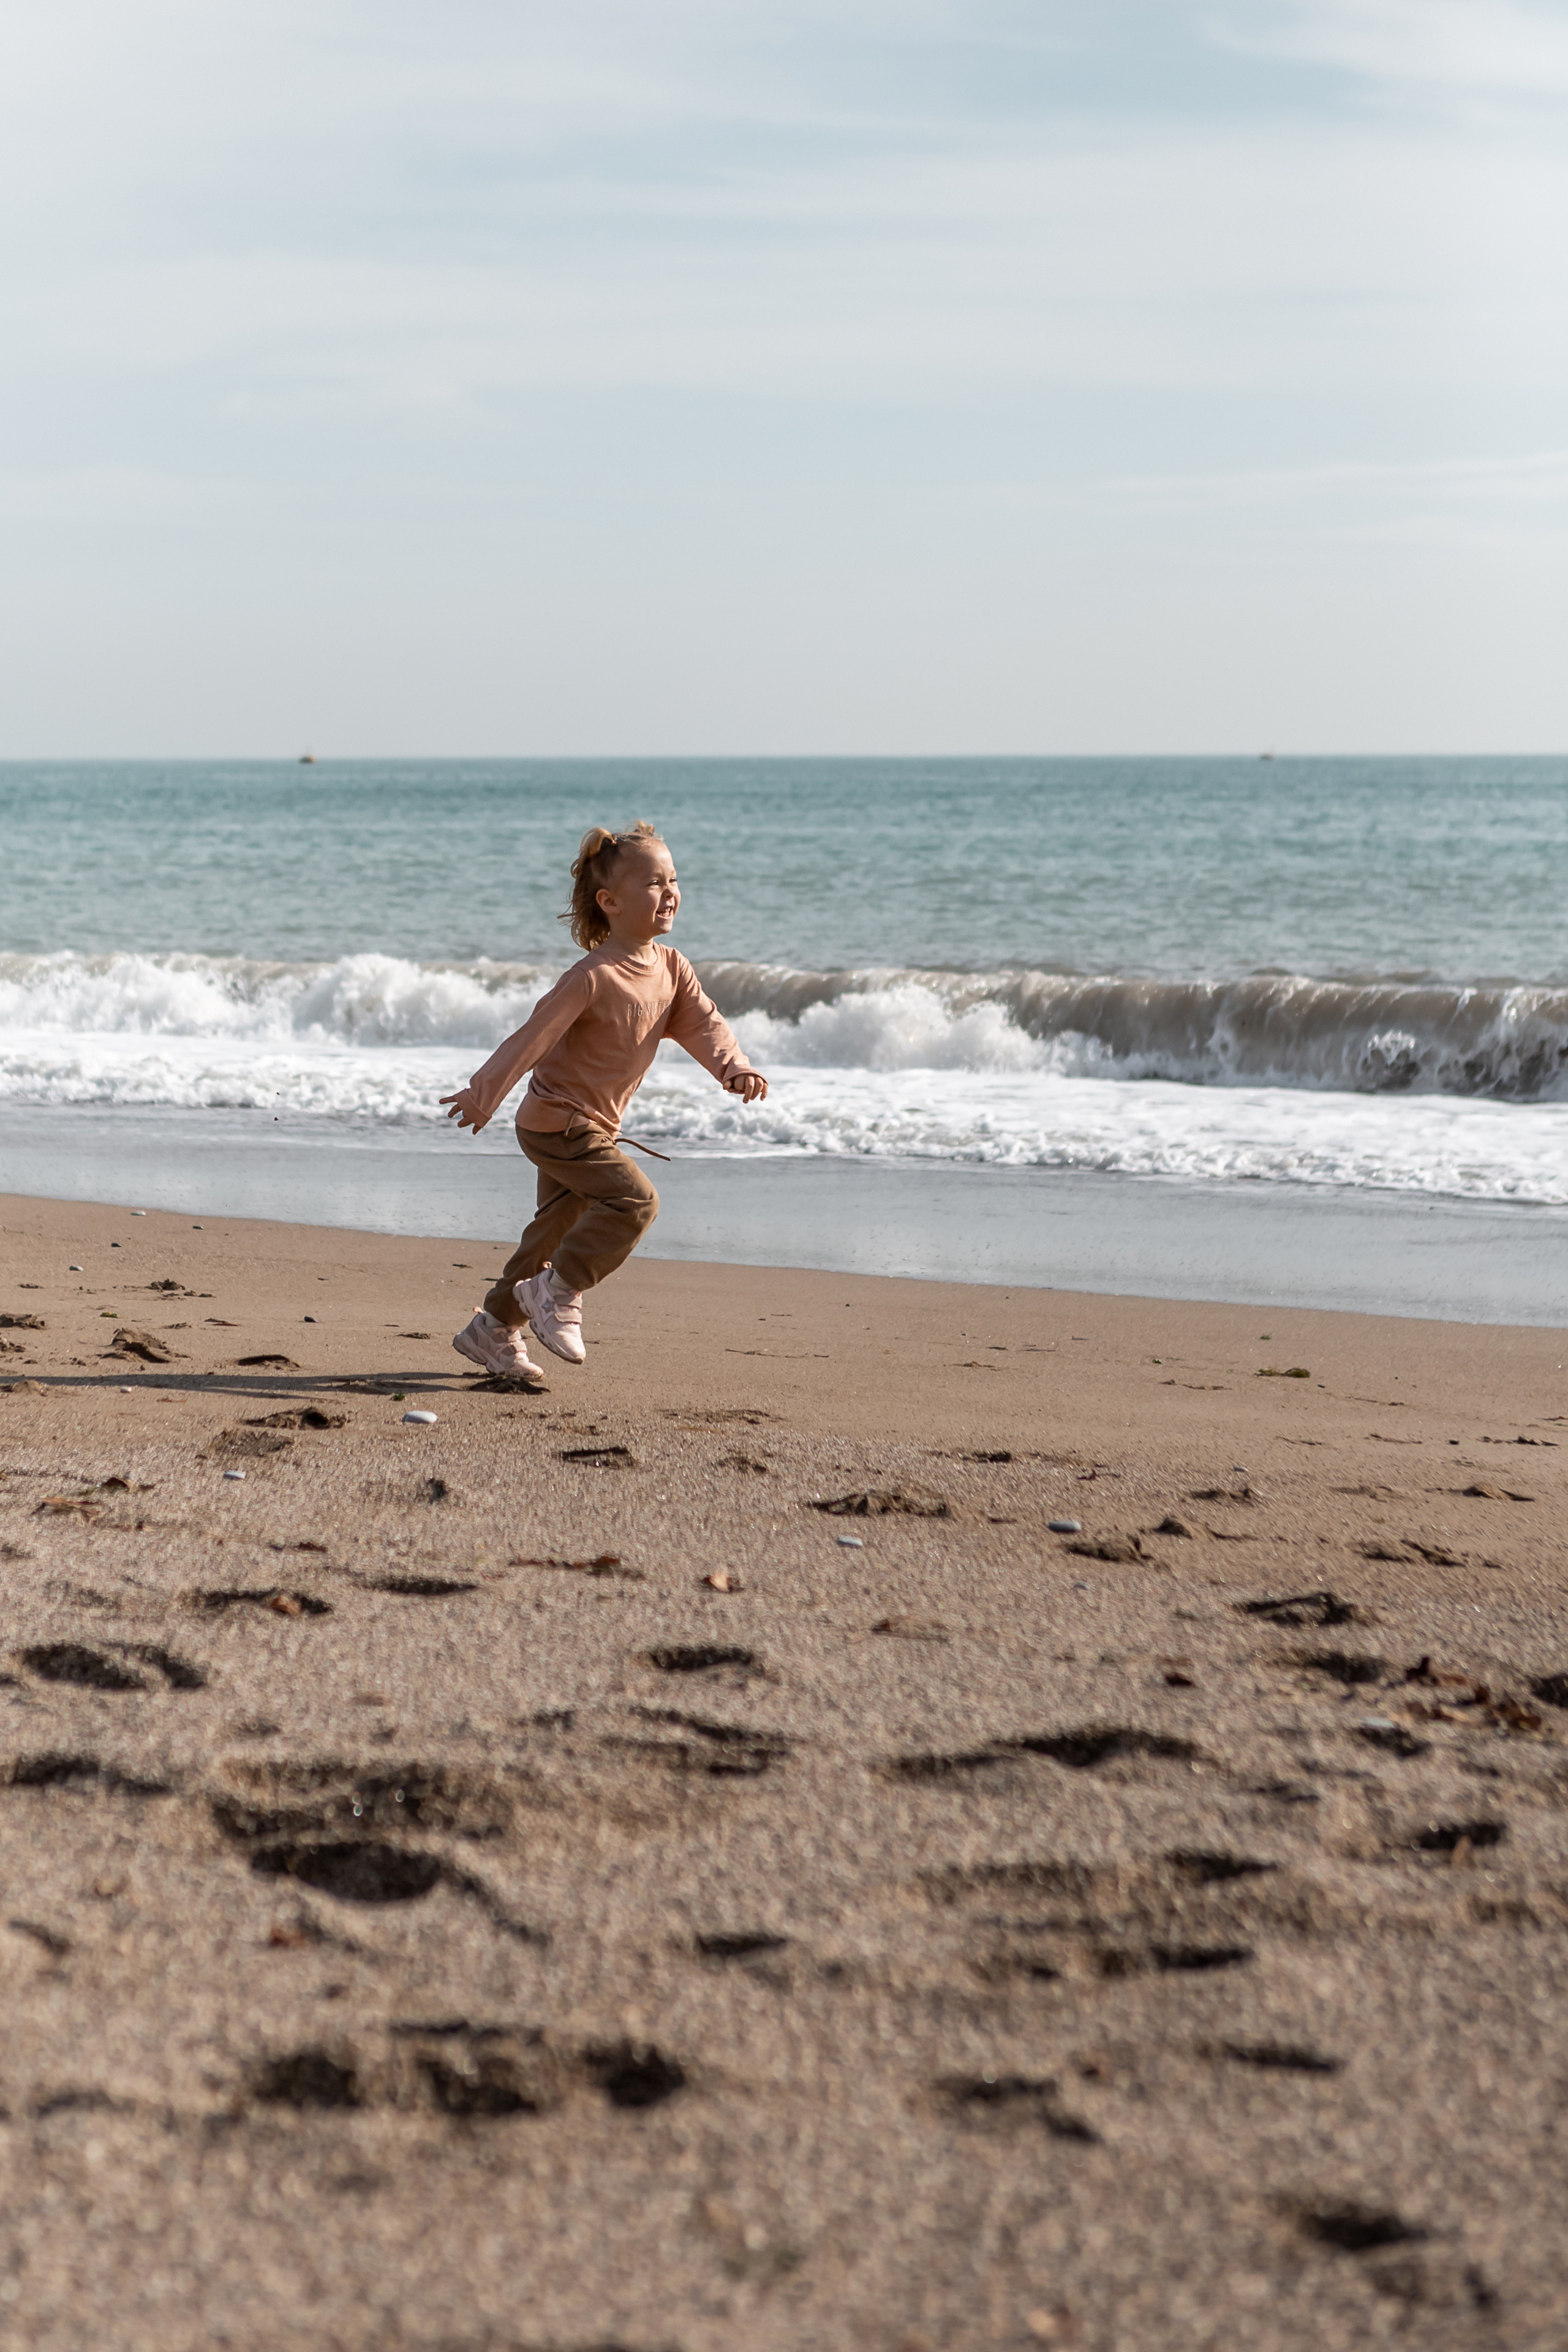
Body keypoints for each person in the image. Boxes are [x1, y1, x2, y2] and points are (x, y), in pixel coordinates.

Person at [440, 822, 769, 1378]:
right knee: (636, 1202)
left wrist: (733, 1065)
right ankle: (558, 1290)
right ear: (610, 902)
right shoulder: (593, 976)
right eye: (653, 883)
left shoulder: (672, 968)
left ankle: (491, 1328)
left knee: (551, 1233)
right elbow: (533, 1037)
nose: (669, 892)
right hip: (558, 1124)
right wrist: (482, 1093)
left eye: (673, 880)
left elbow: (704, 1023)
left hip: (594, 1127)